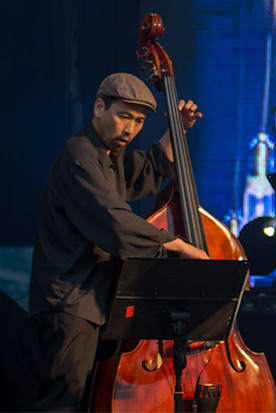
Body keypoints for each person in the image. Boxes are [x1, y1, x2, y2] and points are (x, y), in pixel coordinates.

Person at [28, 72, 208, 412]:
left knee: (84, 400)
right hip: (69, 300)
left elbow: (150, 170)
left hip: (91, 301)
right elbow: (114, 220)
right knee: (64, 400)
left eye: (139, 121)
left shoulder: (112, 157)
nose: (130, 129)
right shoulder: (79, 155)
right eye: (123, 116)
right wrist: (178, 245)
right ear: (98, 107)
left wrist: (177, 131)